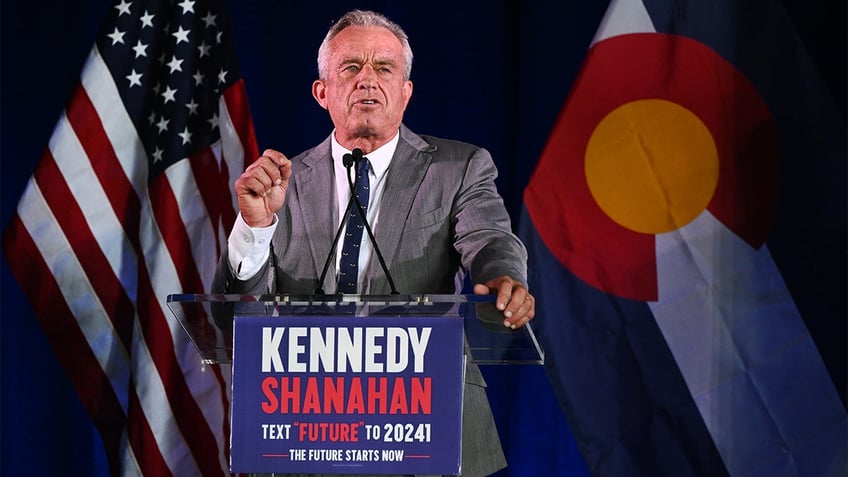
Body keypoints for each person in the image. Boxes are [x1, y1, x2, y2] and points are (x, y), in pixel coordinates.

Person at [213, 9, 535, 477]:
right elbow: (233, 318)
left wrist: (502, 279)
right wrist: (256, 227)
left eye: (384, 68)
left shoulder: (459, 167)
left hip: (424, 421)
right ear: (322, 92)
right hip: (308, 427)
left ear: (405, 92)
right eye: (350, 67)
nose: (368, 80)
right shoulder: (282, 181)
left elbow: (489, 238)